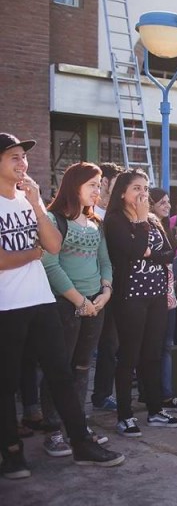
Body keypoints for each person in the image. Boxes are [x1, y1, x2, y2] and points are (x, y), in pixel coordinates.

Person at [0, 133, 124, 479]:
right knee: (6, 382)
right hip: (6, 305)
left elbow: (53, 245)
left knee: (62, 375)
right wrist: (32, 253)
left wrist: (38, 205)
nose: (22, 163)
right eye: (13, 157)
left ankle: (81, 443)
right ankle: (11, 452)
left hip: (40, 299)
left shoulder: (28, 203)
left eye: (23, 157)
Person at [40, 162, 113, 455]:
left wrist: (105, 292)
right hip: (64, 306)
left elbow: (105, 261)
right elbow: (50, 265)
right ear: (75, 186)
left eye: (99, 185)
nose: (98, 190)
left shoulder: (95, 222)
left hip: (96, 304)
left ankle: (78, 427)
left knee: (83, 367)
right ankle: (53, 430)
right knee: (59, 370)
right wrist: (78, 300)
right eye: (93, 185)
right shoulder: (53, 220)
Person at [104, 169, 177, 437]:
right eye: (136, 188)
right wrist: (140, 228)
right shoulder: (115, 220)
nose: (143, 193)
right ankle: (125, 415)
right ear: (123, 193)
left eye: (146, 187)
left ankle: (155, 409)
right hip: (130, 297)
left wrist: (149, 251)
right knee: (129, 355)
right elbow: (134, 250)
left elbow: (169, 254)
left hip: (157, 295)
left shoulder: (152, 219)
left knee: (152, 354)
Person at [148, 187, 177, 414]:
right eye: (161, 202)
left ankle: (166, 393)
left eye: (168, 202)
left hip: (169, 292)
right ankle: (158, 395)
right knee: (154, 347)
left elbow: (171, 257)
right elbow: (163, 256)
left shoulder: (170, 228)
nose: (167, 206)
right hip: (151, 293)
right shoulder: (148, 226)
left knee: (167, 344)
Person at [91, 163, 123, 412]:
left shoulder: (120, 216)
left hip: (113, 289)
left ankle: (101, 395)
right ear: (104, 184)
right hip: (84, 290)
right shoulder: (88, 213)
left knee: (110, 346)